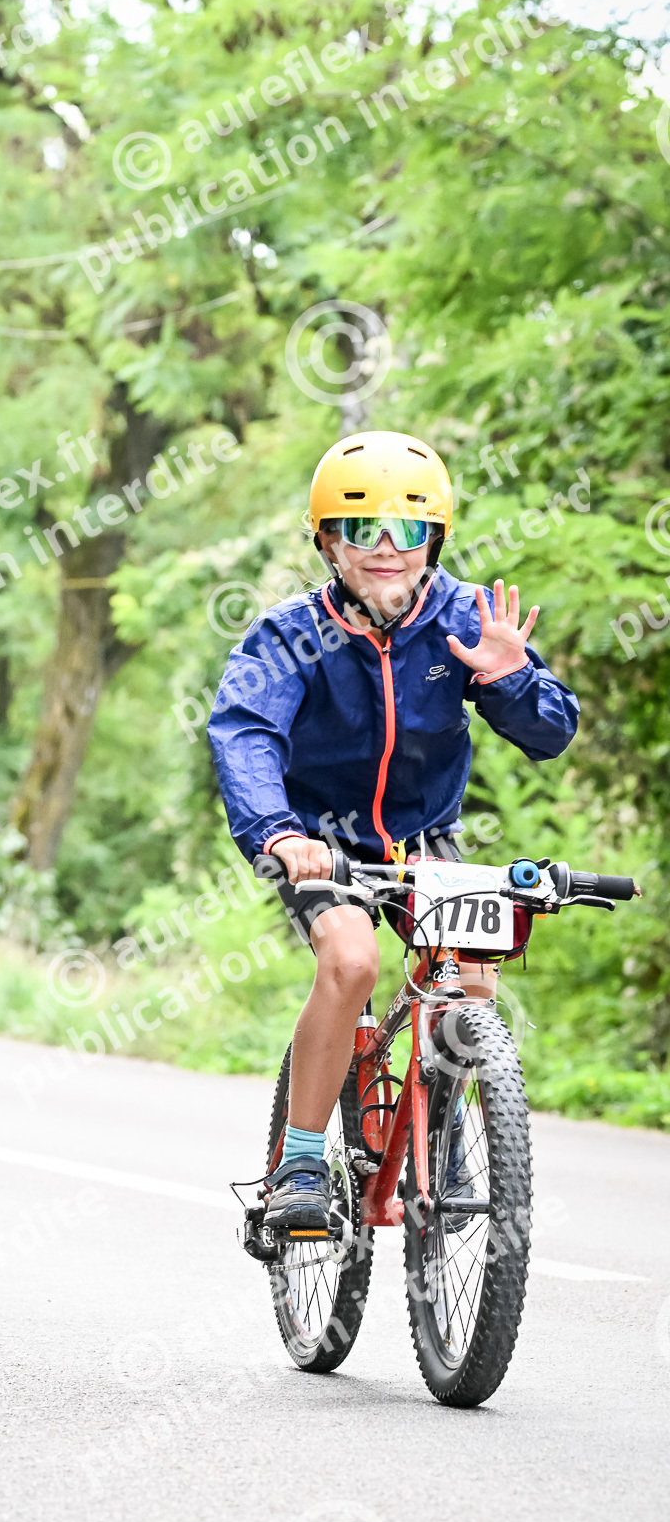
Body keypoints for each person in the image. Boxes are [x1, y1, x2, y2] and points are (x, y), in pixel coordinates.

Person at [207, 431, 579, 1235]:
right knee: (352, 961)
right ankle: (301, 1164)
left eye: (408, 529)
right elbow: (245, 734)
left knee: (468, 975)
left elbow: (551, 733)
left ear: (434, 539)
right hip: (317, 839)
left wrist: (509, 678)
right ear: (327, 542)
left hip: (423, 835)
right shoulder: (289, 634)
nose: (386, 548)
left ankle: (439, 1140)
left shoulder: (466, 616)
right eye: (361, 529)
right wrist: (279, 835)